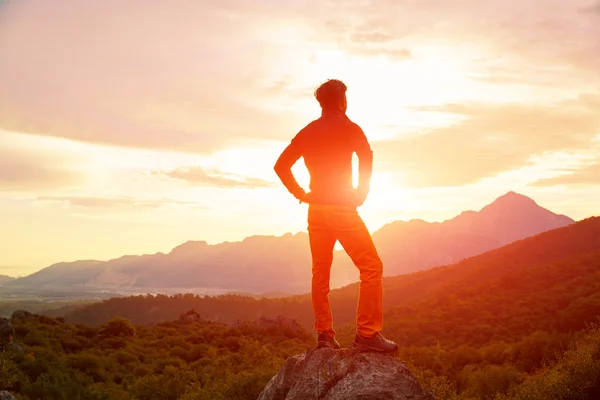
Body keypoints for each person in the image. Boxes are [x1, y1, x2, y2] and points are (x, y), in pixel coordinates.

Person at [274, 79, 398, 353]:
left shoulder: (307, 131)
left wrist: (301, 193)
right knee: (371, 267)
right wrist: (361, 192)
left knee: (320, 272)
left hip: (316, 210)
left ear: (320, 103)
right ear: (342, 101)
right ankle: (367, 334)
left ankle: (325, 336)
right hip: (342, 207)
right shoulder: (350, 128)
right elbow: (366, 156)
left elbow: (280, 165)